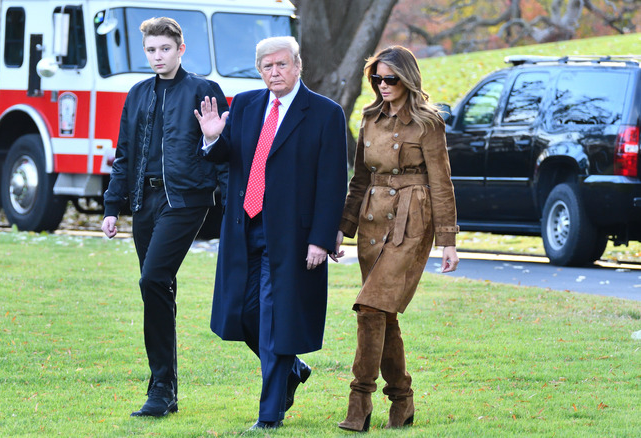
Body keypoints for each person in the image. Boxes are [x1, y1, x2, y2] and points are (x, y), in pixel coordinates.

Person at [194, 36, 348, 431]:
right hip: (244, 229)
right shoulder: (245, 104)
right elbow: (228, 154)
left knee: (275, 321)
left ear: (298, 65)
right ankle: (293, 370)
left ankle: (269, 414)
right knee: (242, 315)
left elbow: (333, 181)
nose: (275, 72)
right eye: (267, 66)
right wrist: (212, 136)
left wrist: (321, 236)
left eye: (282, 64)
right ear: (259, 70)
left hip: (292, 237)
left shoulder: (324, 113)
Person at [101, 17, 228, 418]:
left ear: (181, 49)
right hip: (144, 201)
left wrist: (232, 205)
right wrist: (111, 206)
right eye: (152, 50)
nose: (158, 56)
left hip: (186, 200)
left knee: (153, 278)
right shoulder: (137, 94)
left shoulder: (203, 90)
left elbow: (225, 151)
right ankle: (165, 391)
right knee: (157, 290)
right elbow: (124, 154)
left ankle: (160, 388)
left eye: (165, 49)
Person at [331, 46, 459, 431]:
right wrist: (342, 227)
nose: (383, 85)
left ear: (407, 79)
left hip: (412, 220)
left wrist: (448, 240)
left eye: (391, 79)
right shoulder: (369, 119)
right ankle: (402, 401)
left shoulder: (428, 123)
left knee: (370, 308)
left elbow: (442, 183)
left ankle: (359, 402)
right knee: (383, 314)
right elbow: (359, 180)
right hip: (372, 221)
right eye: (377, 79)